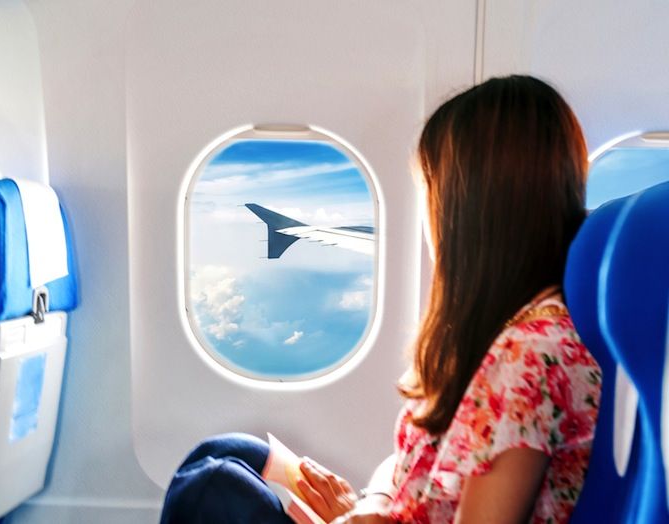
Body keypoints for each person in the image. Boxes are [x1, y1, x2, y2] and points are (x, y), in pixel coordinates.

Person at [160, 75, 601, 524]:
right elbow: (416, 459)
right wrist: (372, 505)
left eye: (432, 195)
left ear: (469, 214)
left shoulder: (527, 356)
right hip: (388, 513)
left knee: (214, 492)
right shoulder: (514, 333)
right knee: (226, 454)